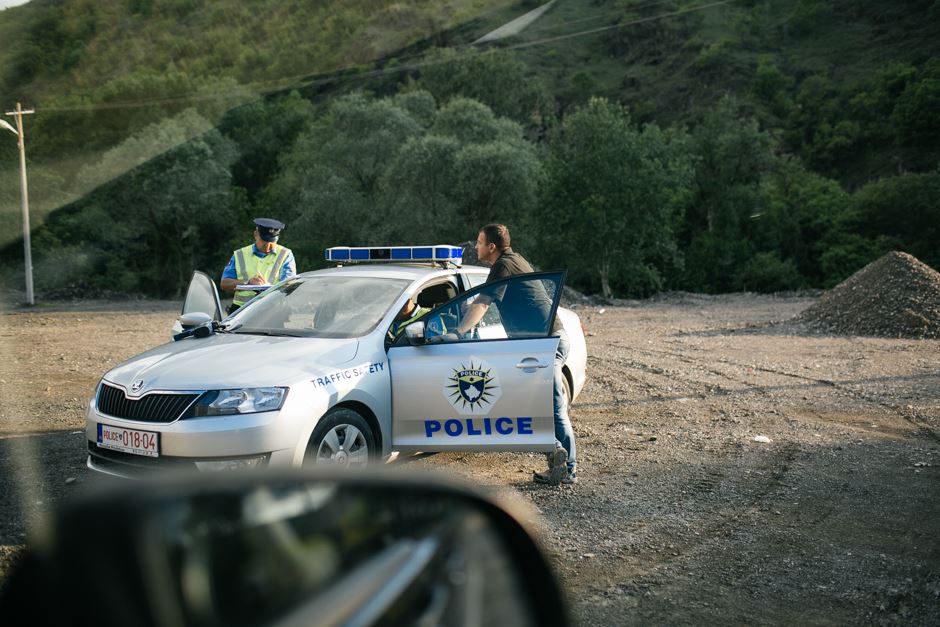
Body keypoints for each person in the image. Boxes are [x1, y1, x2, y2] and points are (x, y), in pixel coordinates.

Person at [456, 224, 577, 485]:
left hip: (546, 344)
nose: (475, 247)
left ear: (492, 247)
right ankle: (559, 459)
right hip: (542, 341)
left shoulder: (503, 266)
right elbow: (488, 301)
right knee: (536, 405)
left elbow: (483, 303)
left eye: (479, 242)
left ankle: (567, 467)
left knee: (549, 409)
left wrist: (458, 332)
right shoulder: (515, 260)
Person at [220, 218, 296, 313]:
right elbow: (224, 284)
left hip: (274, 311)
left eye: (272, 241)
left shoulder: (285, 254)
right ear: (256, 235)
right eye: (264, 240)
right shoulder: (239, 254)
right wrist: (248, 282)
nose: (268, 245)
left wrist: (266, 287)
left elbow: (289, 286)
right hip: (241, 311)